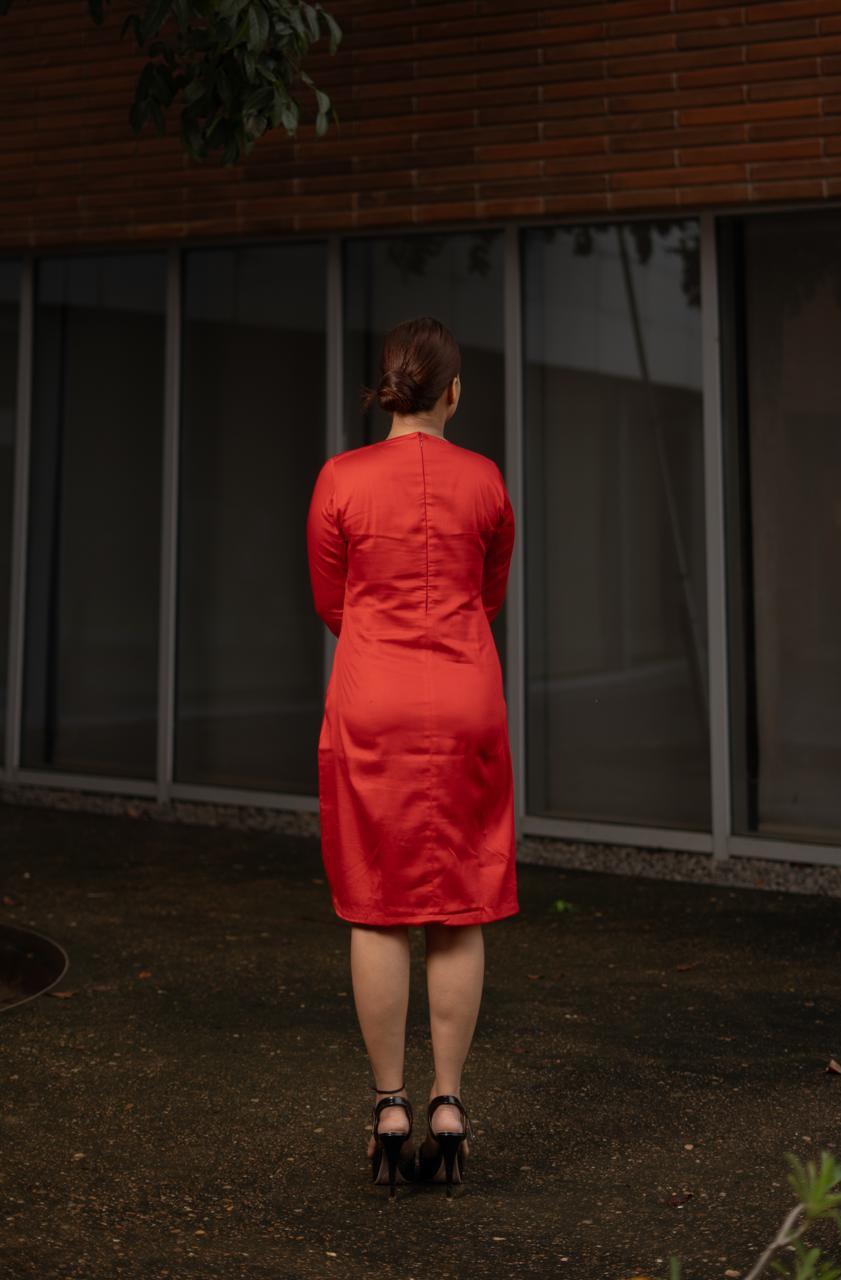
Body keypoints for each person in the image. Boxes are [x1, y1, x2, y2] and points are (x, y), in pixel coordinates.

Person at [305, 316, 518, 1197]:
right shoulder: (485, 481)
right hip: (464, 697)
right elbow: (489, 591)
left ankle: (389, 1103)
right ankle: (449, 1104)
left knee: (377, 902)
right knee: (458, 901)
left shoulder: (341, 478)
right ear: (452, 394)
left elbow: (331, 600)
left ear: (390, 391)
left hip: (372, 698)